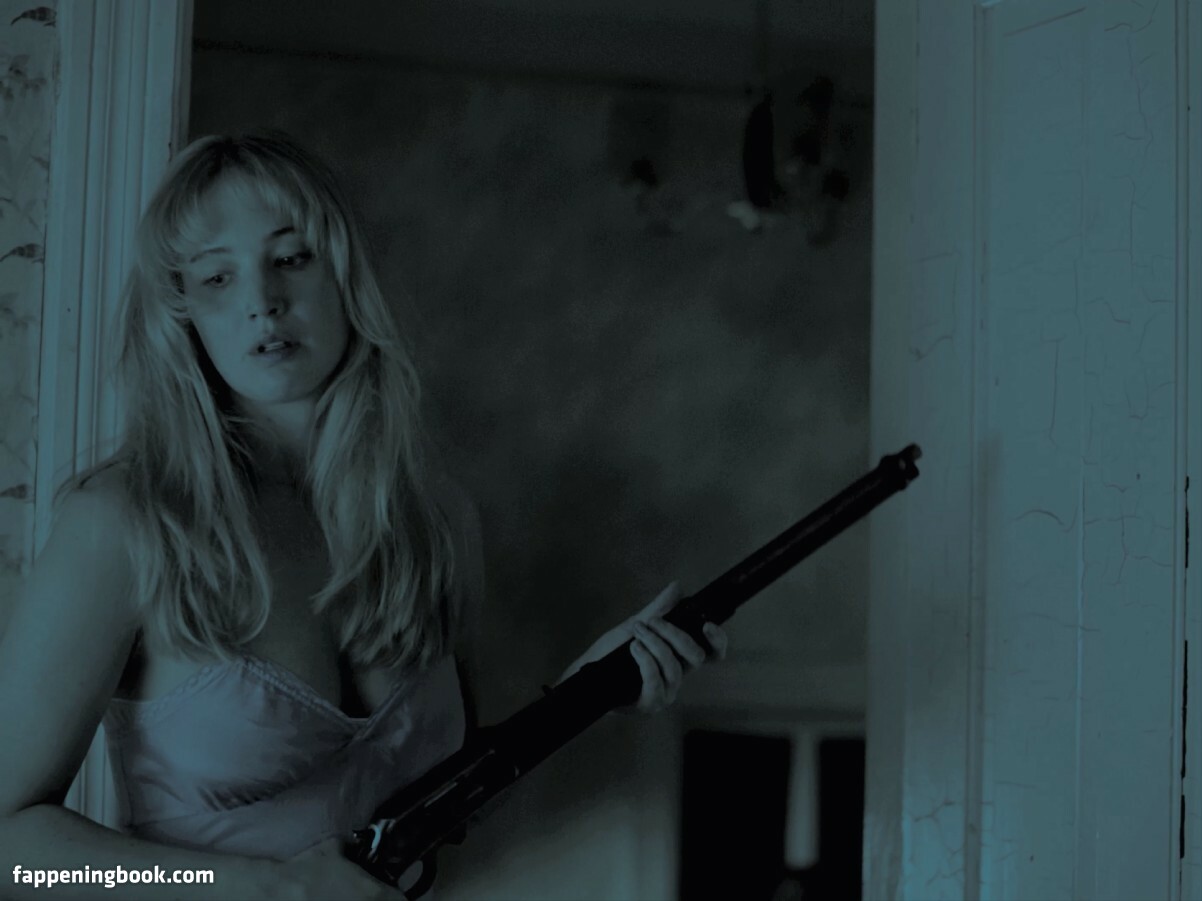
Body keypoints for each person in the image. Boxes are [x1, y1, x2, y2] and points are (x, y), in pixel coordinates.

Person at [0, 130, 728, 900]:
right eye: (216, 275)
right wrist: (267, 888)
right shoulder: (123, 523)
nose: (261, 299)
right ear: (184, 315)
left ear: (346, 275)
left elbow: (434, 804)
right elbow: (13, 852)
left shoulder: (434, 518)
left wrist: (587, 690)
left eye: (292, 257)